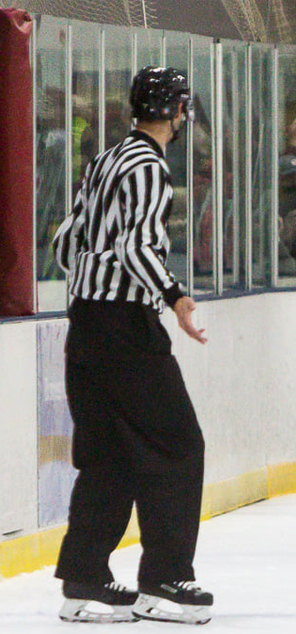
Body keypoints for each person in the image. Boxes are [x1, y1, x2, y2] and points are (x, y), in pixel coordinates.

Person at [50, 66, 214, 624]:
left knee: (108, 456)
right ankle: (166, 581)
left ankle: (85, 579)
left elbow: (65, 241)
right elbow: (137, 247)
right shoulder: (150, 167)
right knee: (177, 445)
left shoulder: (104, 159)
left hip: (86, 327)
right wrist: (175, 296)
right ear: (175, 112)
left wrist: (89, 294)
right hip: (125, 329)